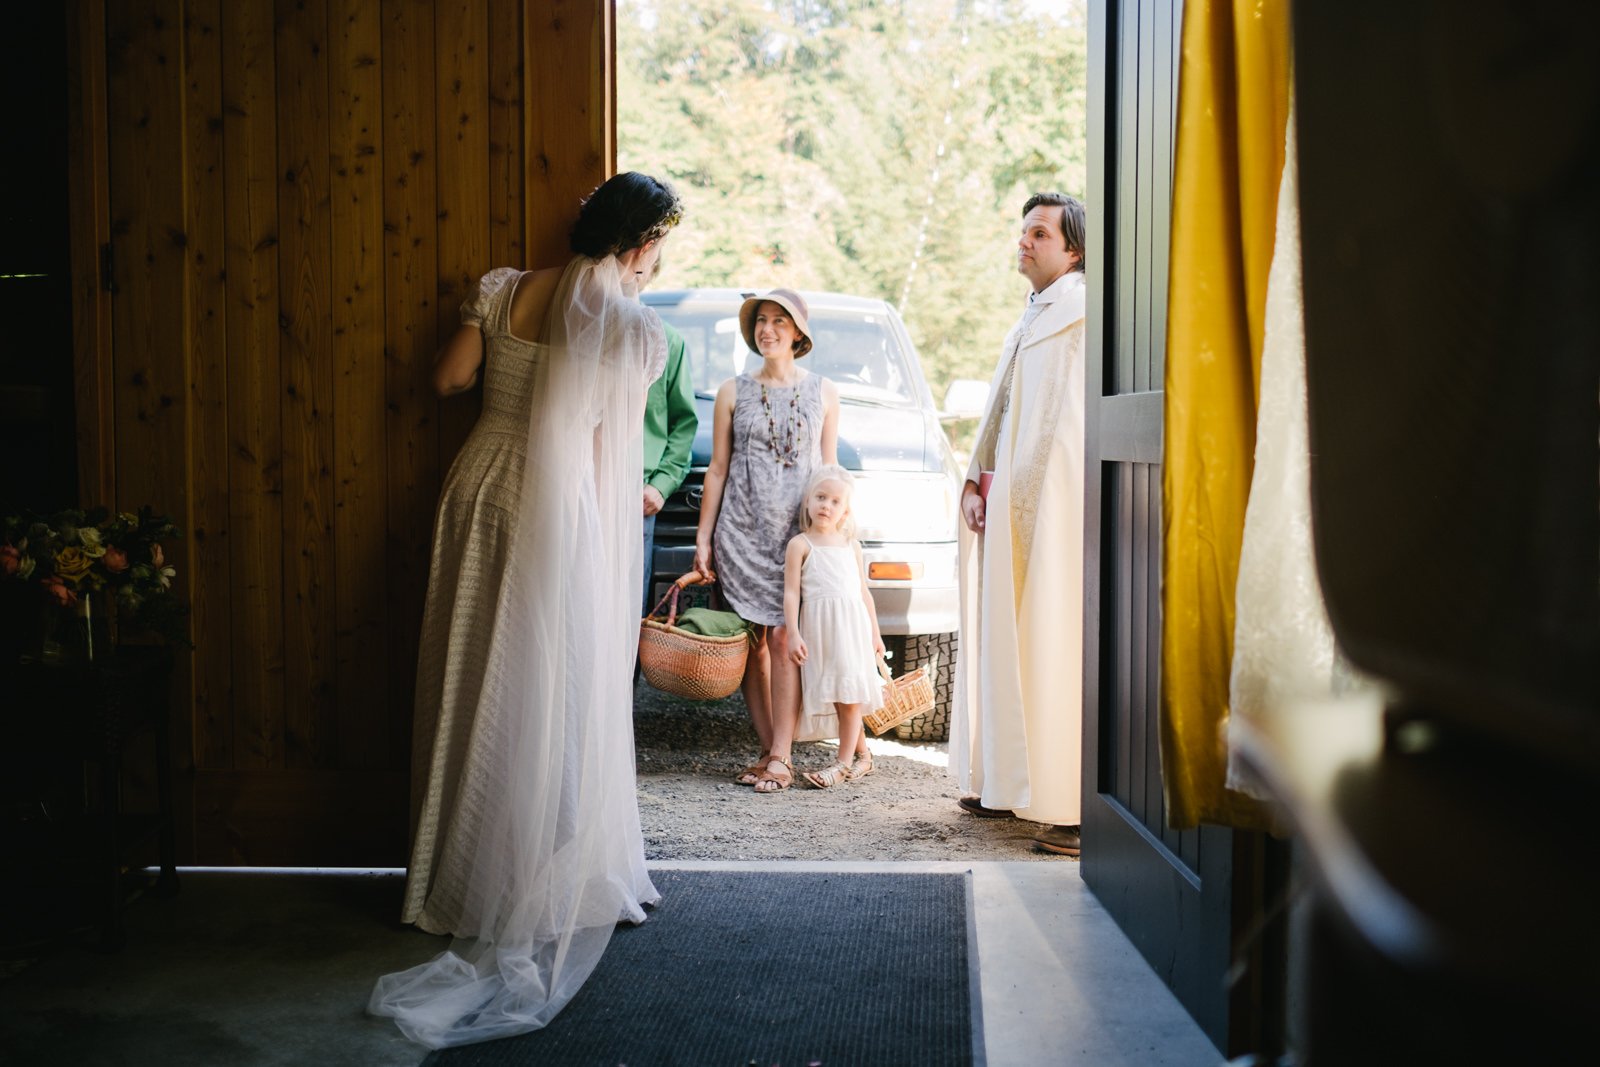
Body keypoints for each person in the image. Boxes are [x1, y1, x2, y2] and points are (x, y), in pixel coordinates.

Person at [371, 171, 684, 1047]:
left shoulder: (504, 288)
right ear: (640, 243)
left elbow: (446, 382)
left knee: (467, 663)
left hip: (476, 484)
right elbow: (605, 447)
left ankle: (449, 878)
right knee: (552, 680)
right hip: (559, 506)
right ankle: (543, 875)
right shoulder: (629, 325)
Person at [950, 192, 1088, 858]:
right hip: (1007, 506)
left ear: (1074, 249)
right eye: (1023, 230)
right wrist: (978, 479)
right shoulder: (1033, 315)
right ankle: (1003, 779)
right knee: (1005, 639)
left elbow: (1067, 424)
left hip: (1056, 512)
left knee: (1050, 640)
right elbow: (1005, 411)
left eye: (1040, 232)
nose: (1024, 241)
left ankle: (1065, 802)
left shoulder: (1081, 315)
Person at [692, 288, 856, 793]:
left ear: (798, 334)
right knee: (753, 645)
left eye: (779, 322)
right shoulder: (731, 391)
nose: (767, 330)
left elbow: (829, 472)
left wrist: (843, 536)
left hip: (797, 537)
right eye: (760, 322)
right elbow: (717, 469)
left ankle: (782, 754)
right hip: (741, 532)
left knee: (786, 636)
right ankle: (770, 750)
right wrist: (704, 539)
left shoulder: (823, 391)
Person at [784, 465, 885, 788]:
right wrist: (793, 633)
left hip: (851, 629)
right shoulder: (800, 545)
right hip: (821, 630)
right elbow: (791, 593)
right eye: (821, 497)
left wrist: (875, 634)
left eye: (835, 501)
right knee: (841, 693)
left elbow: (863, 593)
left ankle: (842, 764)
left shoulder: (850, 545)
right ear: (808, 501)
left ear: (845, 511)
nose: (826, 505)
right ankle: (864, 756)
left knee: (851, 692)